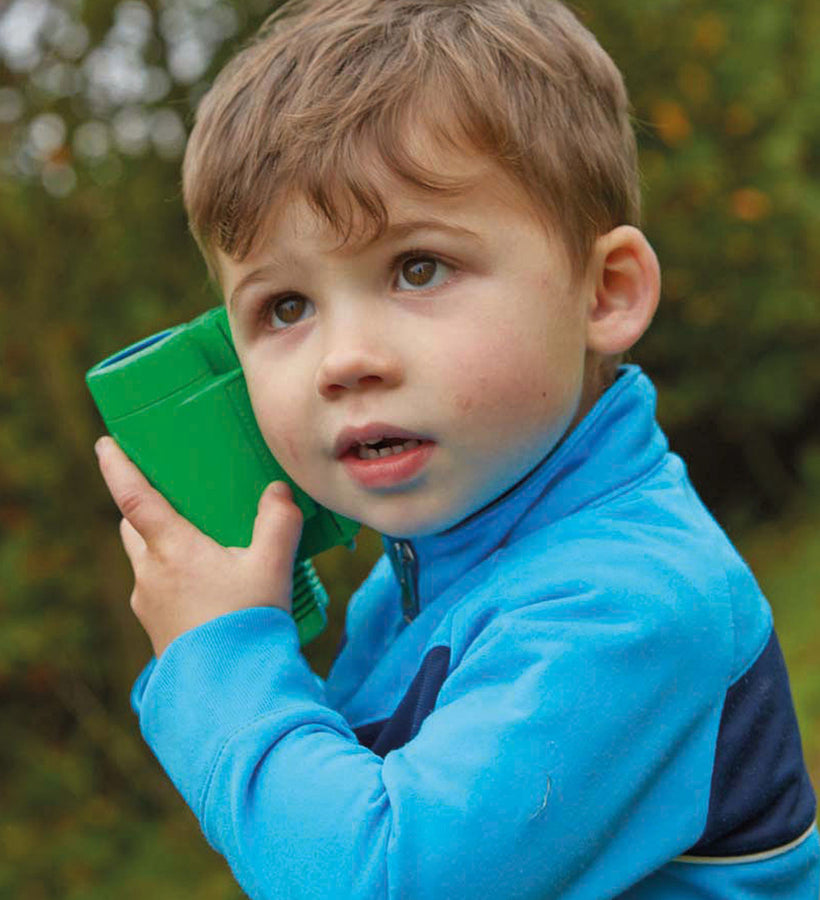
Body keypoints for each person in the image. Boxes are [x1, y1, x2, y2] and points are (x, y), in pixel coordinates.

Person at [94, 0, 820, 896]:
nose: (344, 361)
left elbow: (380, 875)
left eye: (418, 267)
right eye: (285, 307)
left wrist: (219, 656)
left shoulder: (628, 604)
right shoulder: (427, 570)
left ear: (605, 294)